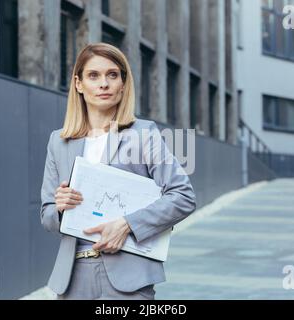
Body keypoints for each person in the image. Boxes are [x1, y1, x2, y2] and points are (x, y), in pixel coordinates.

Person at [40, 42, 196, 300]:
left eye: (112, 75)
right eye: (94, 76)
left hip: (128, 280)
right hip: (72, 279)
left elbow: (183, 196)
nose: (104, 84)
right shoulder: (59, 141)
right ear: (78, 84)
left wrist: (127, 225)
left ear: (123, 84)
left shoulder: (143, 134)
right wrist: (59, 207)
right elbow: (46, 215)